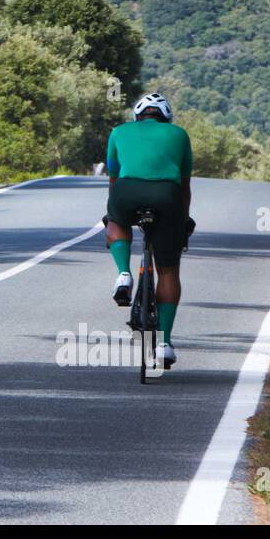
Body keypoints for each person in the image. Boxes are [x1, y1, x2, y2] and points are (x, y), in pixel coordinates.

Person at [103, 92, 193, 369]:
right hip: (168, 196)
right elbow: (185, 184)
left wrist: (114, 210)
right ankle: (164, 344)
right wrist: (183, 219)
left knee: (115, 221)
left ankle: (123, 273)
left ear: (137, 116)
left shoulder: (118, 132)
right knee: (168, 271)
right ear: (166, 117)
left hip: (126, 192)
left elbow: (114, 176)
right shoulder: (179, 134)